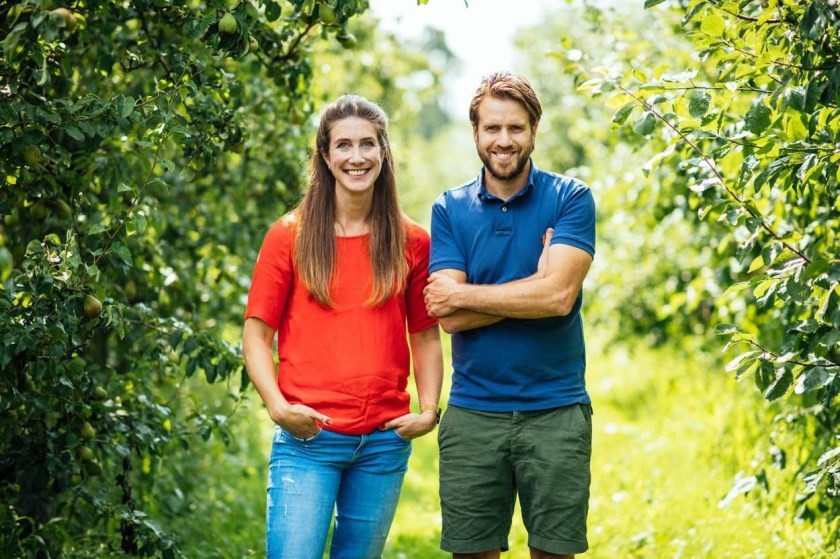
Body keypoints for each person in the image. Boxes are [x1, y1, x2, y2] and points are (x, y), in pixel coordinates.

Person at [242, 94, 443, 559]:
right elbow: (256, 333)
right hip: (308, 438)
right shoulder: (288, 235)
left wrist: (429, 409)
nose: (357, 156)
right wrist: (276, 406)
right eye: (345, 145)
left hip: (382, 444)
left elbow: (425, 333)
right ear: (326, 156)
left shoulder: (413, 241)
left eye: (368, 144)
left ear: (383, 152)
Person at [424, 72, 596, 559]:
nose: (504, 141)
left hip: (556, 411)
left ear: (535, 130)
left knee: (554, 553)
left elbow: (558, 298)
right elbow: (447, 315)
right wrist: (533, 283)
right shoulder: (449, 208)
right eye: (493, 128)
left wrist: (475, 296)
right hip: (474, 413)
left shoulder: (570, 198)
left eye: (516, 128)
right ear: (475, 133)